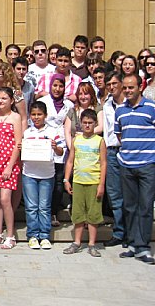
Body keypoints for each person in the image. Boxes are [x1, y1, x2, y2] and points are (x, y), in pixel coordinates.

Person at [114, 74, 155, 264]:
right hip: (126, 164)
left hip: (147, 164)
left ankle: (143, 246)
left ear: (140, 87)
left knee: (145, 206)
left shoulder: (151, 108)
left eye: (131, 87)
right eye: (126, 88)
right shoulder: (120, 110)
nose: (128, 91)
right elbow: (120, 135)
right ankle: (132, 243)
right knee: (130, 207)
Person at [63, 109, 106, 257]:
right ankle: (76, 242)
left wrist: (101, 184)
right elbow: (70, 161)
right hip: (78, 182)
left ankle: (92, 244)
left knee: (93, 214)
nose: (87, 125)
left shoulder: (99, 141)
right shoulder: (76, 140)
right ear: (80, 124)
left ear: (95, 124)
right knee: (78, 213)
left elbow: (103, 163)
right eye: (85, 123)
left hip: (93, 182)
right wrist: (66, 179)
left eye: (90, 123)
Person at [21, 101, 64, 251]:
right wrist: (22, 147)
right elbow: (22, 153)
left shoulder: (52, 132)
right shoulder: (27, 133)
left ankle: (45, 235)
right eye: (33, 114)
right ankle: (33, 235)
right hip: (29, 174)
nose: (36, 117)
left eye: (39, 114)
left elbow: (61, 152)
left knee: (44, 207)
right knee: (31, 207)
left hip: (47, 174)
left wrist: (55, 147)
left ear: (45, 115)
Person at [0, 87, 22, 250]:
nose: (0, 101)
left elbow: (18, 144)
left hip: (9, 162)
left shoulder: (16, 117)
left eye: (4, 98)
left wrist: (10, 165)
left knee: (5, 199)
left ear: (11, 100)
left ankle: (10, 235)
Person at [37, 73, 73, 227]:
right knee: (45, 180)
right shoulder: (42, 102)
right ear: (50, 86)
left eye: (60, 86)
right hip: (44, 145)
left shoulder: (69, 105)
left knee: (58, 181)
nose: (57, 89)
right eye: (55, 85)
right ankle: (41, 212)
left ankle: (53, 212)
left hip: (61, 146)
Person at [101, 71, 125, 247]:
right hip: (111, 151)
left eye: (114, 83)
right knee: (114, 194)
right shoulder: (107, 105)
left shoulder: (130, 104)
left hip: (128, 151)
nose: (111, 87)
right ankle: (119, 232)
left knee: (131, 195)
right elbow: (107, 130)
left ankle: (132, 233)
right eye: (108, 84)